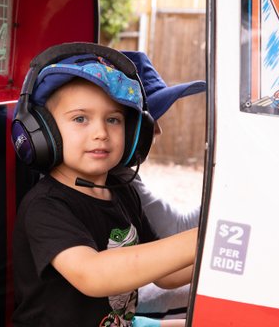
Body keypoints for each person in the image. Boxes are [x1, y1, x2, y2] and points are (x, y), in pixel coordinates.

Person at [11, 43, 197, 327]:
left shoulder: (123, 192)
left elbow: (164, 275)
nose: (100, 133)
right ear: (42, 132)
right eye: (80, 119)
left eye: (113, 119)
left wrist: (220, 256)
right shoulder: (45, 206)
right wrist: (202, 238)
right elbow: (94, 275)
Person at [121, 51, 205, 318]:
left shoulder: (121, 178)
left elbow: (166, 275)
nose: (158, 131)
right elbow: (175, 233)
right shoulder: (117, 183)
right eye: (150, 118)